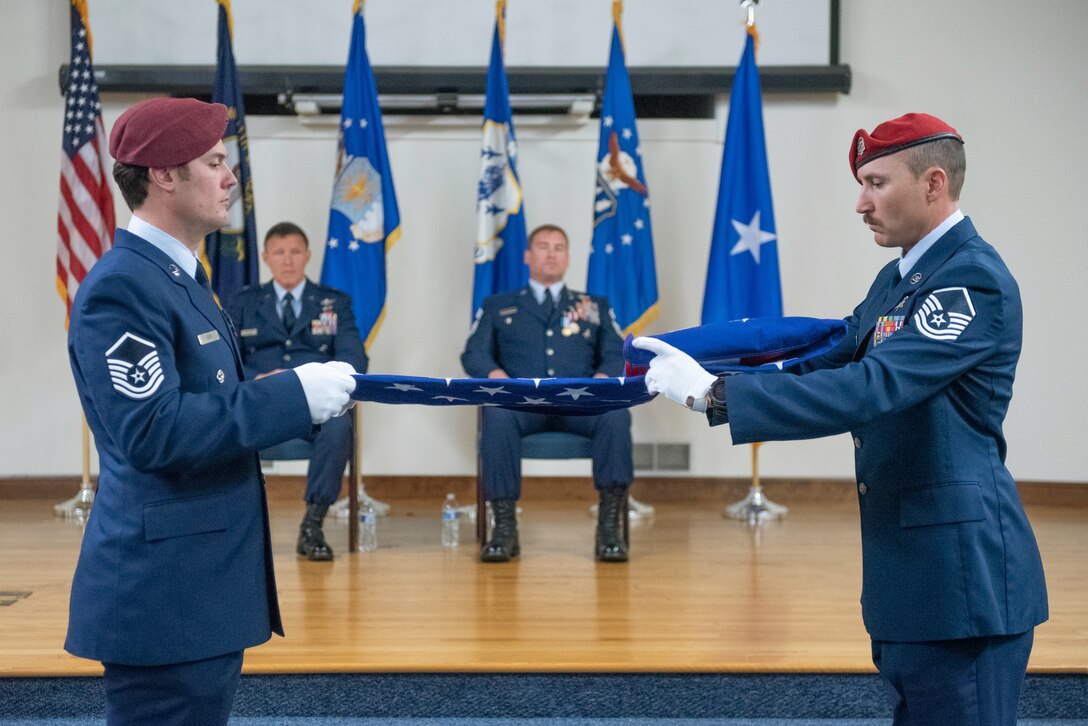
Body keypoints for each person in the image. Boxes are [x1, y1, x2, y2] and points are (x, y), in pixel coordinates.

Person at [634, 113, 1048, 725]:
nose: (861, 202)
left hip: (962, 580)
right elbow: (827, 360)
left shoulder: (970, 281)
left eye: (877, 183)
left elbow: (875, 385)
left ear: (934, 184)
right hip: (913, 576)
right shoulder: (901, 277)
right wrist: (717, 379)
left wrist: (716, 398)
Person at [65, 97, 357, 726]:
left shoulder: (180, 278)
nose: (231, 177)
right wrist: (292, 396)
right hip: (165, 594)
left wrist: (284, 391)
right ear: (164, 175)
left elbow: (210, 395)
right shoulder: (124, 286)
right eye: (216, 161)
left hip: (199, 587)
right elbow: (154, 431)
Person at [462, 224, 634, 563]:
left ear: (568, 258)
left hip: (580, 403)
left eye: (559, 247)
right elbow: (474, 353)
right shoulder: (499, 305)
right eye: (543, 246)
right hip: (522, 404)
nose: (551, 253)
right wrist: (498, 377)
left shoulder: (593, 305)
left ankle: (609, 528)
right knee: (495, 415)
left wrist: (600, 380)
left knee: (615, 415)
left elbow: (617, 352)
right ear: (528, 256)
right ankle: (504, 528)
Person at [226, 222, 368, 562]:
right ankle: (233, 530)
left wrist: (311, 378)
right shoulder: (242, 302)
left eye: (294, 252)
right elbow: (225, 361)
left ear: (307, 256)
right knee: (222, 423)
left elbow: (354, 358)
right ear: (265, 257)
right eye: (279, 252)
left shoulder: (335, 303)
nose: (287, 260)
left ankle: (313, 524)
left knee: (338, 427)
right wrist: (262, 378)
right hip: (261, 403)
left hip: (313, 404)